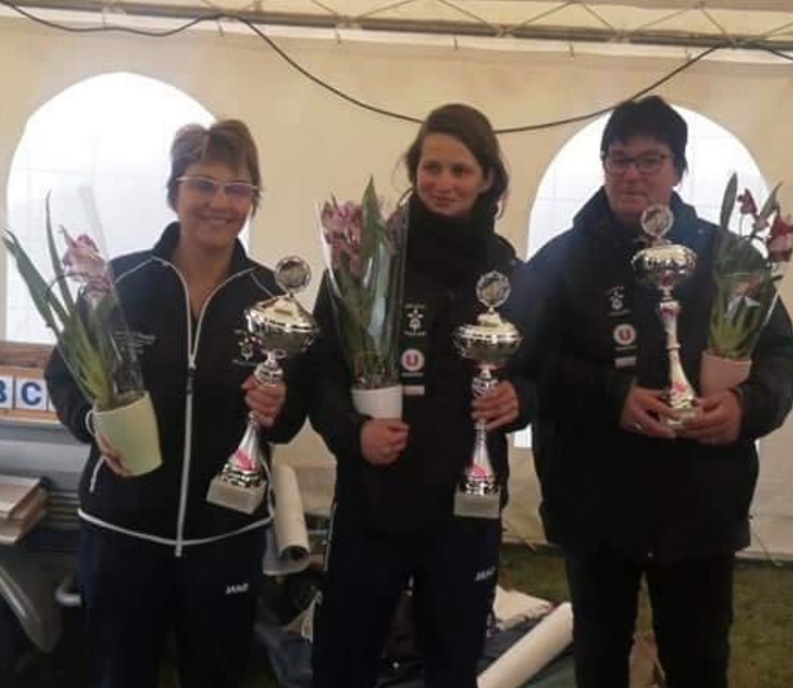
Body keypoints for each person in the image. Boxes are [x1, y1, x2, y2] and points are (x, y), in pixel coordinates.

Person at [512, 95, 793, 688]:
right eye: (618, 160)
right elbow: (527, 362)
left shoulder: (731, 257)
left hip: (700, 506)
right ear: (603, 164)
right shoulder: (561, 262)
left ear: (679, 169)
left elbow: (780, 357)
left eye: (650, 160)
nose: (631, 174)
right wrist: (612, 396)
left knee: (698, 662)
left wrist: (744, 409)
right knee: (599, 659)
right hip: (594, 501)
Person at [45, 119, 310, 688]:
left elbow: (290, 416)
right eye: (203, 184)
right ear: (174, 193)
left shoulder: (271, 299)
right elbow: (63, 375)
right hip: (123, 533)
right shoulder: (119, 283)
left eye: (238, 189)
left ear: (252, 202)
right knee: (118, 675)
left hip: (225, 538)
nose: (220, 203)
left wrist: (279, 406)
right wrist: (94, 423)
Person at [308, 103, 535, 688]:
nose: (443, 183)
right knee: (343, 660)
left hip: (467, 505)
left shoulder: (509, 273)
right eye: (431, 167)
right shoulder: (363, 261)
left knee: (453, 663)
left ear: (487, 179)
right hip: (372, 499)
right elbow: (321, 371)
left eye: (460, 170)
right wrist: (353, 434)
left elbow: (542, 370)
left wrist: (520, 399)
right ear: (413, 172)